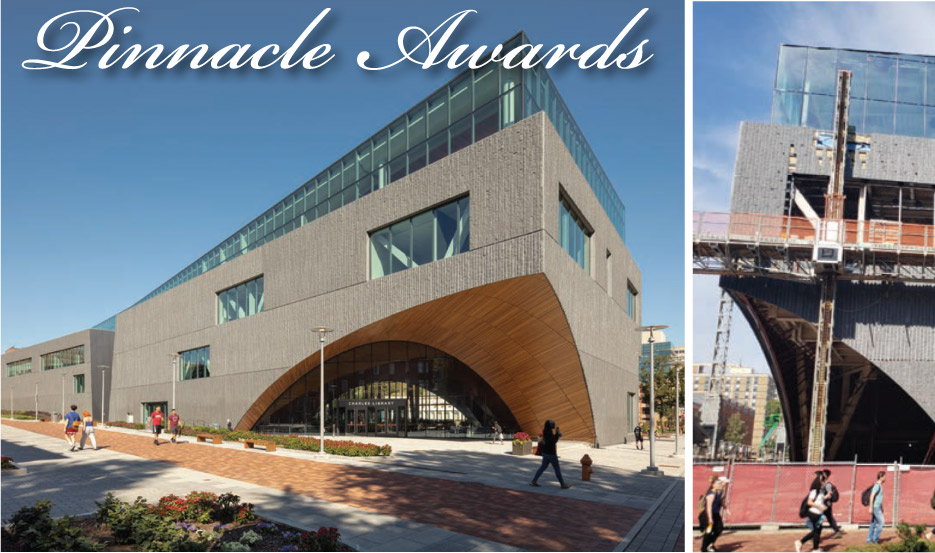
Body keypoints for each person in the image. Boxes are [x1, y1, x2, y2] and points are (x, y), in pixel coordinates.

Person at [530, 420, 572, 489]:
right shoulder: (549, 432)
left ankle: (534, 480)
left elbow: (548, 440)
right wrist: (557, 434)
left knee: (543, 467)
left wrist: (556, 434)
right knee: (557, 469)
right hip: (551, 453)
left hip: (545, 453)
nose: (553, 425)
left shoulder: (545, 430)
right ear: (550, 425)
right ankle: (562, 484)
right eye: (552, 424)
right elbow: (553, 442)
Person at [795, 474, 828, 552]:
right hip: (814, 513)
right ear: (820, 481)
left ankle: (815, 548)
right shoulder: (814, 491)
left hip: (818, 514)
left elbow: (820, 499)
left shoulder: (820, 491)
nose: (825, 482)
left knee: (818, 530)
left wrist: (827, 497)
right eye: (823, 480)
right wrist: (819, 506)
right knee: (817, 530)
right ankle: (801, 542)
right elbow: (809, 502)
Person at [700, 477, 728, 552]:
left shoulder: (718, 492)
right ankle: (704, 548)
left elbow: (721, 502)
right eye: (718, 483)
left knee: (719, 528)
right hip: (708, 514)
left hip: (716, 514)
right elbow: (708, 507)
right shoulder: (711, 494)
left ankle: (709, 544)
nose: (720, 485)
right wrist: (710, 518)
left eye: (720, 483)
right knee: (709, 531)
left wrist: (726, 509)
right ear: (713, 485)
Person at [821, 469, 843, 537]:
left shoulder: (827, 484)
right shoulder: (822, 483)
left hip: (825, 504)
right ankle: (837, 531)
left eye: (822, 474)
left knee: (819, 518)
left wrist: (823, 498)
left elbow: (829, 494)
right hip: (824, 504)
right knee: (830, 518)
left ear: (825, 475)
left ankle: (815, 533)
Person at [867, 471, 886, 544]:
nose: (885, 478)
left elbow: (878, 498)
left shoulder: (879, 485)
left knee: (873, 523)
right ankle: (875, 539)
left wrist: (881, 507)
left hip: (877, 507)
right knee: (881, 522)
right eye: (884, 477)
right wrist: (870, 507)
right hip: (875, 507)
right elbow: (871, 496)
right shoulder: (877, 485)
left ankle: (869, 539)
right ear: (881, 477)